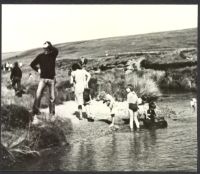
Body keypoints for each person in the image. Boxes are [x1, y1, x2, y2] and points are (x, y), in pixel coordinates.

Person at [30, 41, 58, 124]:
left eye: (46, 48)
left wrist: (49, 44)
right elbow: (32, 64)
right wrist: (37, 69)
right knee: (38, 95)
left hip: (51, 79)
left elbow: (56, 50)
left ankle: (52, 115)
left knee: (52, 98)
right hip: (42, 79)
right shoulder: (40, 56)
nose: (45, 49)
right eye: (44, 48)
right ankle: (35, 113)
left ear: (49, 48)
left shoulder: (53, 55)